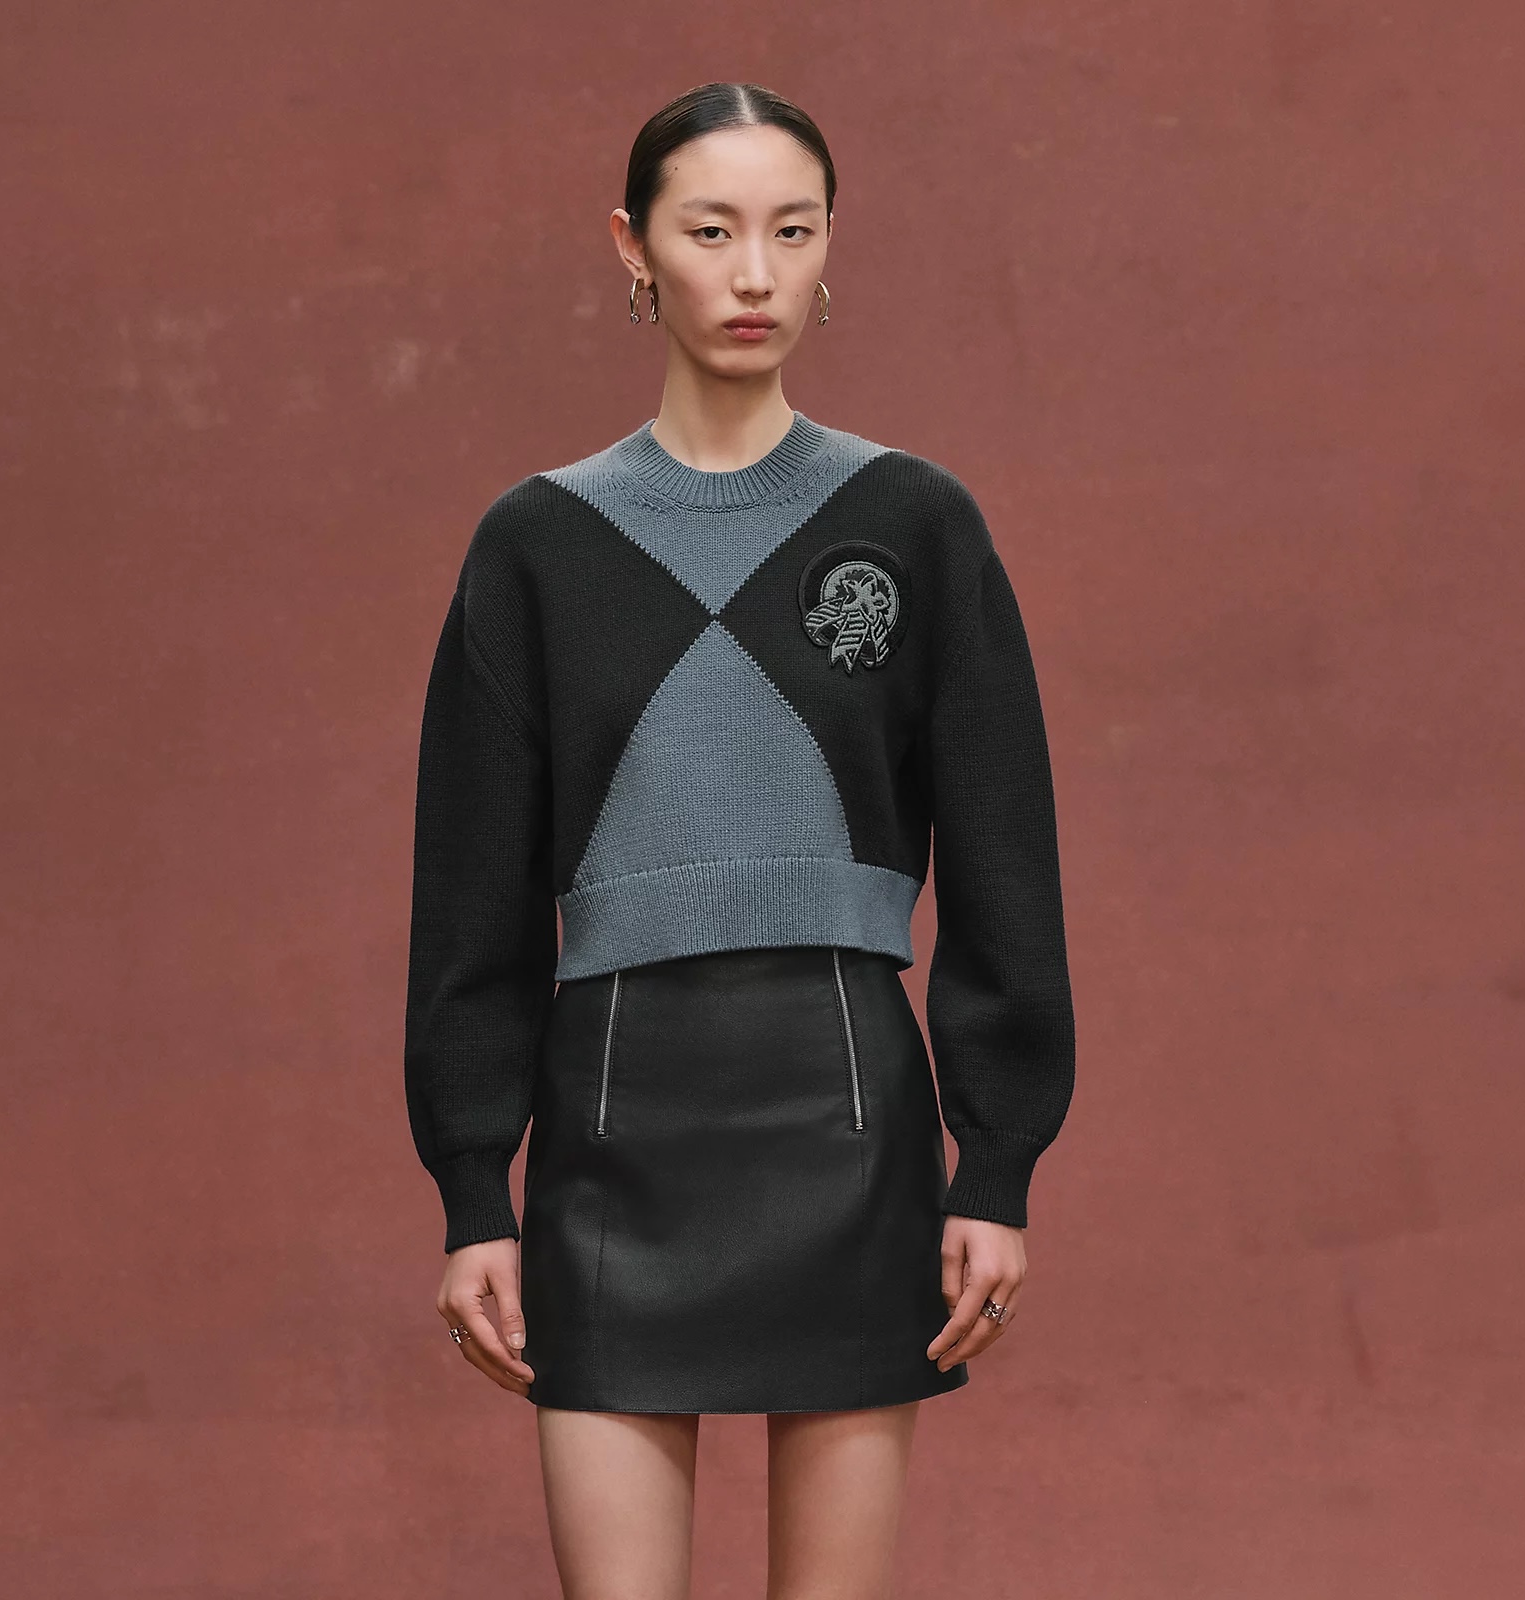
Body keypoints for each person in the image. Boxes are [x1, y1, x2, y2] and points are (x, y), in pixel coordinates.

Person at [403, 80, 1076, 1600]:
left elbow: (1005, 864)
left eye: (794, 230)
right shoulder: (537, 543)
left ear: (834, 248)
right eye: (711, 231)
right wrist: (474, 1193)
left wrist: (997, 1166)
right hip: (610, 1127)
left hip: (848, 1113)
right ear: (632, 247)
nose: (755, 273)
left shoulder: (915, 522)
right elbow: (472, 904)